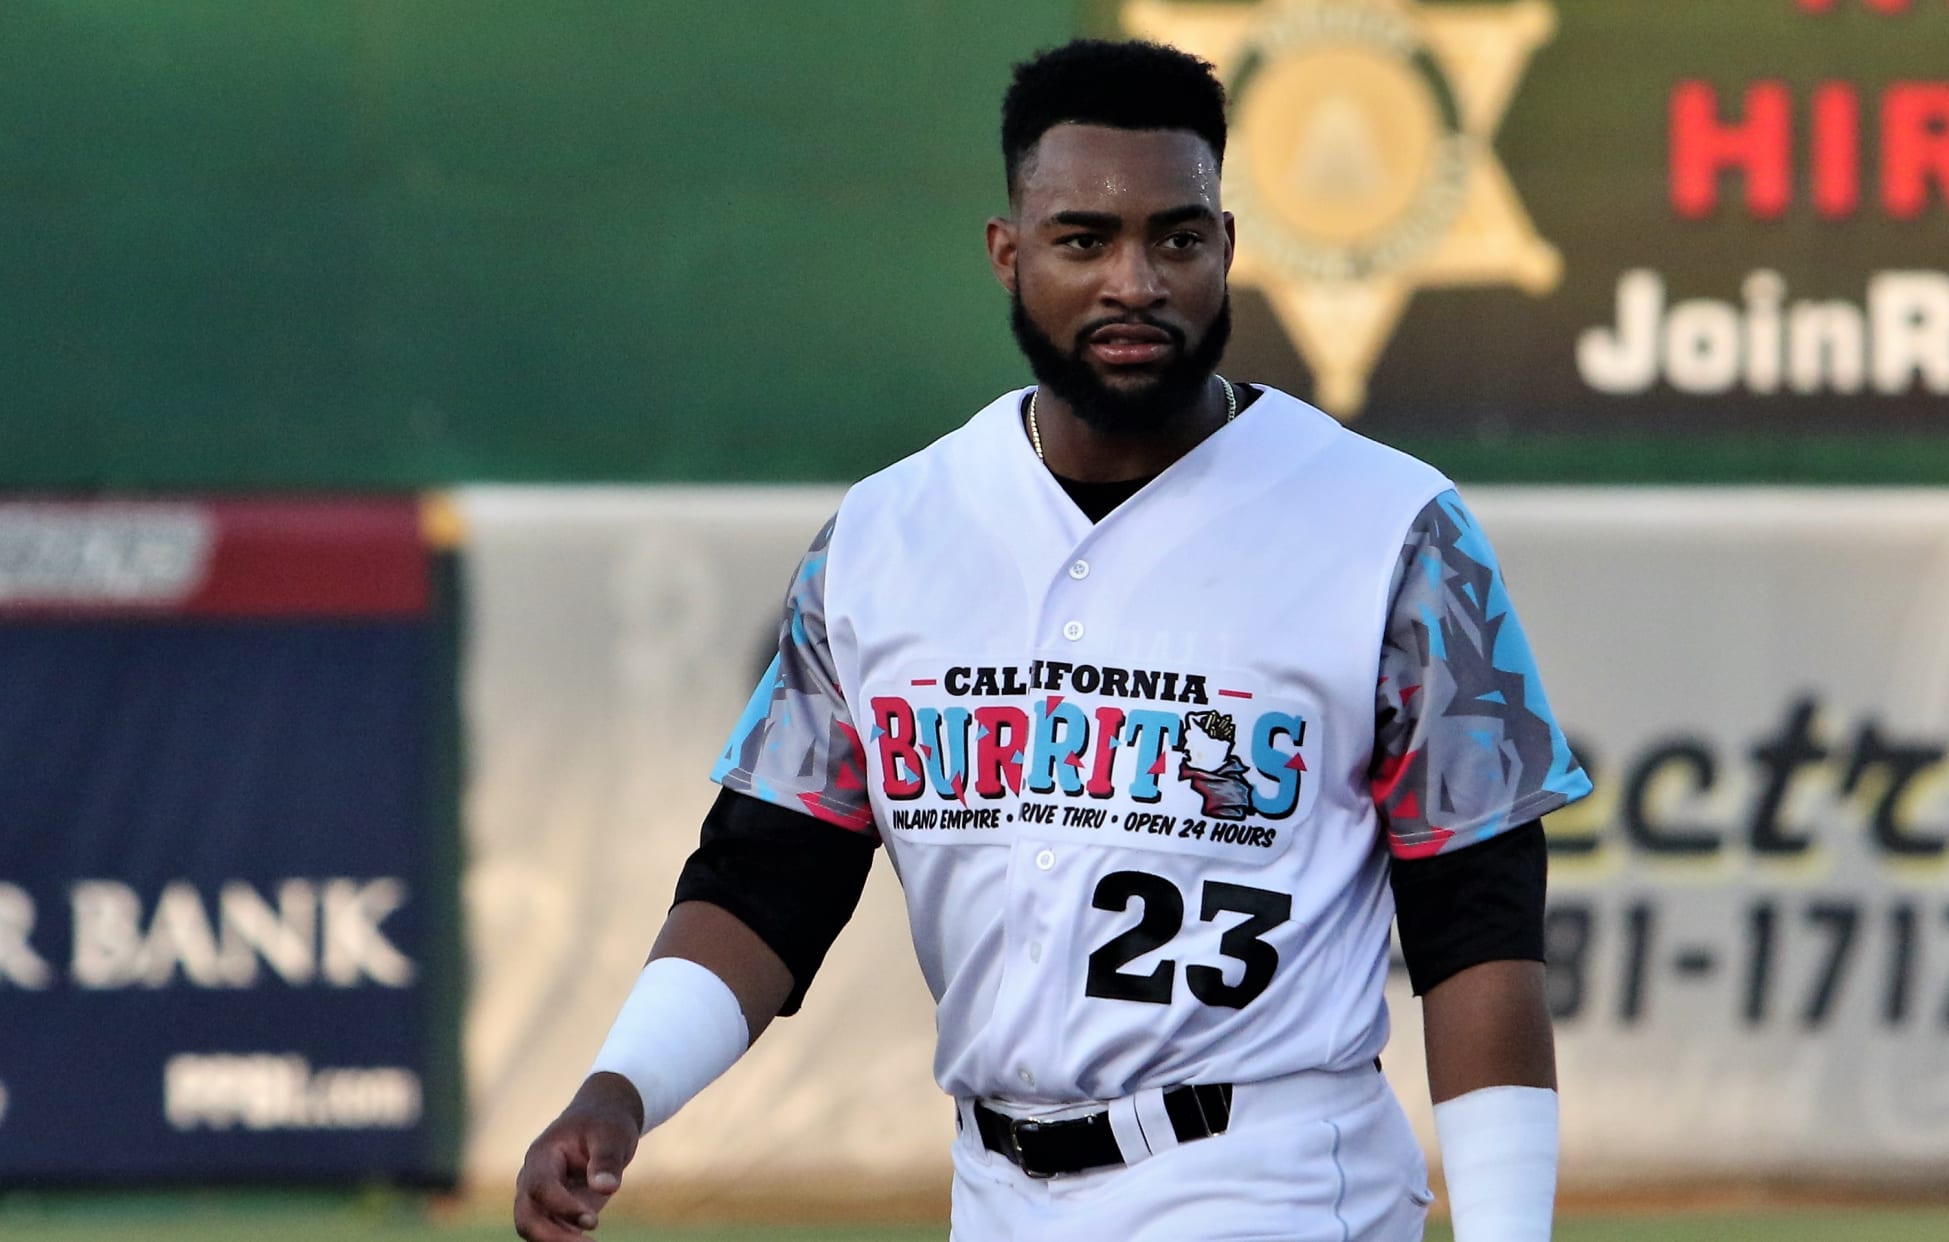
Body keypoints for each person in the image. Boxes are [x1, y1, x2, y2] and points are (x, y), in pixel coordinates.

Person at [514, 38, 1591, 1242]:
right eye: (1085, 240)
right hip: (997, 1188)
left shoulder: (1395, 529)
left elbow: (1479, 927)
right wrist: (620, 1090)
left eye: (1178, 238)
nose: (1136, 280)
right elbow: (765, 877)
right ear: (1008, 253)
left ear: (1228, 250)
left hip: (1271, 1181)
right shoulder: (885, 536)